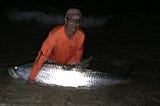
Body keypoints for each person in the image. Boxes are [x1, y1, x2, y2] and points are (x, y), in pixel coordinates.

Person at [27, 8, 85, 84]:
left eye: (78, 21)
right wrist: (31, 77)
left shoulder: (81, 36)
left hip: (68, 64)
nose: (75, 24)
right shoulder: (54, 34)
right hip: (51, 62)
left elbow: (77, 56)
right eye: (72, 20)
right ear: (66, 21)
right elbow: (42, 56)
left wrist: (72, 67)